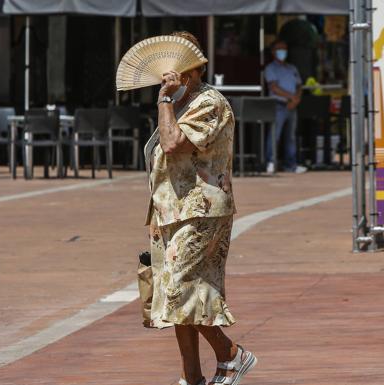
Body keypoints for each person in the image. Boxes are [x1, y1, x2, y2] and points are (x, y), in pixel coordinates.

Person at [144, 31, 257, 385]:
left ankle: (231, 354)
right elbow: (161, 165)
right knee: (185, 290)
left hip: (202, 209)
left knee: (179, 287)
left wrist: (163, 101)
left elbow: (173, 143)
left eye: (175, 74)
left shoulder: (209, 103)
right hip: (172, 210)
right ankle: (192, 376)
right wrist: (154, 214)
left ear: (193, 70)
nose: (169, 81)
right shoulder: (181, 103)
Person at [264, 40, 307, 174]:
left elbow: (299, 85)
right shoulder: (270, 68)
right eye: (279, 49)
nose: (283, 51)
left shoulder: (292, 68)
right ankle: (270, 162)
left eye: (285, 48)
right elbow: (274, 87)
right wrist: (291, 97)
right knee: (274, 135)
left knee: (291, 137)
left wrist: (296, 99)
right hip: (278, 105)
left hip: (292, 105)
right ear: (273, 52)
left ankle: (291, 165)